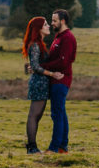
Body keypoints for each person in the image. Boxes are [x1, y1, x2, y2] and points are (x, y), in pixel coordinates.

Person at [22, 16, 61, 154]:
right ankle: (32, 147)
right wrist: (52, 74)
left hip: (42, 83)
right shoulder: (35, 45)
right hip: (39, 83)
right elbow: (35, 66)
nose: (48, 26)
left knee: (37, 116)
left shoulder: (39, 44)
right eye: (45, 24)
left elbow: (33, 65)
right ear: (38, 29)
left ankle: (32, 146)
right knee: (34, 115)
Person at [40, 9, 77, 154]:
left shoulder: (67, 38)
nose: (52, 23)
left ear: (62, 21)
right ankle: (62, 146)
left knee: (56, 114)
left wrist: (42, 67)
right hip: (55, 80)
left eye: (54, 20)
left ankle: (54, 148)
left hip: (61, 80)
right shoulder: (59, 37)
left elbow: (63, 61)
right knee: (61, 113)